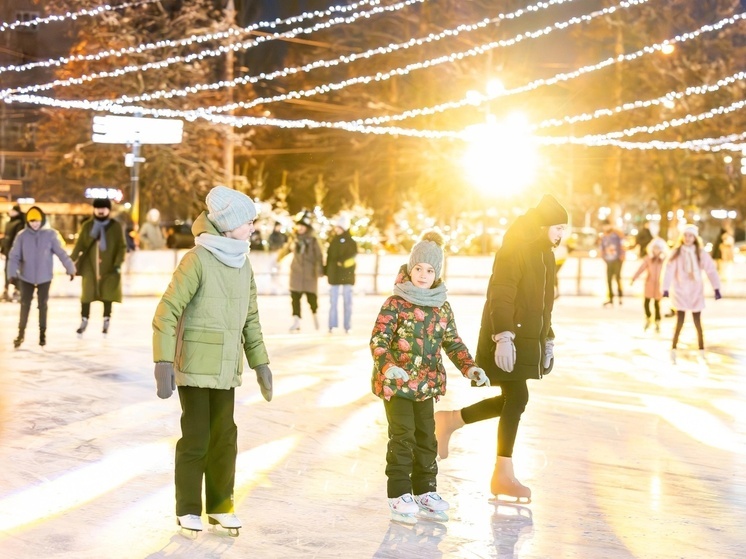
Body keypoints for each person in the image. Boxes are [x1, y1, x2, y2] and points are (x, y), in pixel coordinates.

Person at [152, 185, 274, 536]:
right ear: (229, 224)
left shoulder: (243, 263)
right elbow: (167, 311)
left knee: (225, 437)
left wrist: (260, 363)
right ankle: (188, 508)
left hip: (226, 367)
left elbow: (251, 318)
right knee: (197, 438)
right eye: (248, 221)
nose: (252, 226)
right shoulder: (197, 259)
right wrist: (163, 361)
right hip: (194, 365)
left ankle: (221, 505)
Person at [433, 194, 568, 503]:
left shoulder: (546, 254)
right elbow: (502, 295)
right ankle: (501, 474)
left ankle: (451, 420)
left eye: (563, 228)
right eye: (557, 227)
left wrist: (548, 337)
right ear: (544, 224)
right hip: (508, 334)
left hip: (529, 335)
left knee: (514, 398)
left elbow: (546, 302)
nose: (560, 234)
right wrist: (503, 337)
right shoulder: (515, 248)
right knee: (517, 397)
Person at [370, 230, 489, 524]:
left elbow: (452, 342)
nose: (423, 275)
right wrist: (387, 367)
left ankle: (425, 490)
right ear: (410, 270)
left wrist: (470, 367)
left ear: (437, 274)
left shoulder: (441, 306)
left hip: (425, 386)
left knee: (426, 438)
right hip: (396, 385)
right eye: (418, 268)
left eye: (429, 270)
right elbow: (378, 340)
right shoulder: (395, 304)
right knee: (403, 436)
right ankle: (399, 493)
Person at [7, 206, 76, 348]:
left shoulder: (51, 235)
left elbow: (61, 253)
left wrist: (70, 268)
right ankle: (20, 335)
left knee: (42, 306)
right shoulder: (22, 236)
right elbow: (14, 256)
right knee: (25, 305)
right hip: (26, 277)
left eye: (37, 221)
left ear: (42, 220)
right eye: (32, 221)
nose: (34, 224)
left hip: (45, 277)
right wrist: (12, 275)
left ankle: (42, 334)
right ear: (28, 221)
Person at [662, 224, 721, 364]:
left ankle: (701, 349)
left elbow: (711, 270)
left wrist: (716, 288)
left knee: (697, 322)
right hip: (680, 291)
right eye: (686, 235)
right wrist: (665, 288)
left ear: (695, 237)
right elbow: (668, 270)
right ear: (682, 237)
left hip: (695, 291)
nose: (688, 238)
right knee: (679, 321)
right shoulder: (676, 253)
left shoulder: (700, 253)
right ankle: (673, 348)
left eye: (690, 236)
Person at [69, 198, 127, 337]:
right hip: (90, 266)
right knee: (87, 293)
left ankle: (106, 320)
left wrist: (117, 264)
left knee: (108, 293)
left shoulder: (115, 226)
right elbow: (79, 245)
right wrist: (70, 261)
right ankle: (84, 320)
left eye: (104, 208)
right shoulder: (88, 226)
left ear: (108, 210)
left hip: (109, 266)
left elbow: (121, 246)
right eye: (98, 208)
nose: (101, 211)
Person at [276, 211, 324, 332]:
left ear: (307, 228)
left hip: (309, 274)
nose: (300, 228)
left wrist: (319, 270)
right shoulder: (294, 239)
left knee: (311, 298)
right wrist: (278, 259)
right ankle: (296, 321)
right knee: (295, 298)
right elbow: (286, 249)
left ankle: (315, 315)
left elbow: (319, 256)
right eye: (299, 226)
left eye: (302, 226)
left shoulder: (313, 240)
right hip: (296, 273)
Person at [325, 215, 357, 334]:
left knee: (347, 302)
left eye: (338, 227)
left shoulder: (351, 242)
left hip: (346, 275)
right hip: (334, 275)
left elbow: (353, 257)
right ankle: (331, 325)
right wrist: (326, 270)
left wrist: (343, 263)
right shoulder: (333, 241)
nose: (336, 229)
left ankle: (347, 326)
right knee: (333, 301)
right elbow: (329, 257)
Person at [630, 237, 667, 333]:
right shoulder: (648, 259)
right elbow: (641, 268)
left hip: (659, 285)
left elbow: (669, 272)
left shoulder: (664, 260)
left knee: (657, 304)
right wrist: (634, 278)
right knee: (646, 303)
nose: (656, 250)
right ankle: (648, 317)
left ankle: (657, 321)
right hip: (649, 284)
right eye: (654, 248)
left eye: (658, 248)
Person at [2, 204, 25, 302]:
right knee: (6, 271)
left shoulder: (20, 223)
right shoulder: (8, 223)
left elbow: (18, 239)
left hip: (16, 253)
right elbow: (6, 238)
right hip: (8, 251)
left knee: (16, 271)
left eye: (12, 210)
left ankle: (17, 290)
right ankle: (6, 290)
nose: (10, 212)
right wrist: (3, 250)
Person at [600, 218, 626, 306]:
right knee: (609, 279)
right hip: (609, 260)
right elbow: (602, 247)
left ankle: (620, 296)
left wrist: (622, 255)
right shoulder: (604, 236)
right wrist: (603, 256)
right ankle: (610, 298)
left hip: (617, 259)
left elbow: (623, 244)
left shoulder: (617, 234)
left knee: (617, 277)